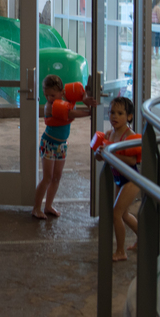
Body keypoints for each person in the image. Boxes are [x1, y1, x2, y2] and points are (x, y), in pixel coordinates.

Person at [32, 75, 98, 220]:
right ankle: (36, 208)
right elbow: (70, 113)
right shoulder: (51, 106)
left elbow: (81, 93)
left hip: (61, 145)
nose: (49, 98)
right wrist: (89, 112)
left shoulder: (64, 99)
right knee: (47, 177)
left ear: (62, 92)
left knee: (57, 177)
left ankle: (48, 206)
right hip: (48, 144)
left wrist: (86, 98)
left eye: (52, 94)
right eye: (46, 95)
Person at [95, 96, 141, 262]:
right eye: (112, 112)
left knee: (116, 214)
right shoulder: (110, 134)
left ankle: (121, 251)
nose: (114, 116)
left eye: (120, 113)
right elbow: (101, 158)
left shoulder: (130, 136)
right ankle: (142, 239)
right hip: (119, 179)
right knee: (124, 215)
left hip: (131, 179)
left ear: (129, 117)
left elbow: (132, 161)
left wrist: (110, 152)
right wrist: (99, 153)